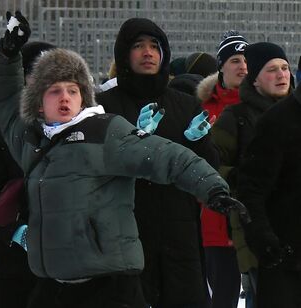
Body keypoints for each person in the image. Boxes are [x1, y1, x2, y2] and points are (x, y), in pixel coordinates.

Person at [0, 11, 248, 308]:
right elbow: (6, 105)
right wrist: (8, 55)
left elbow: (168, 157)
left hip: (110, 282)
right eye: (54, 91)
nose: (64, 98)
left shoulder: (104, 130)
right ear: (38, 103)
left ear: (84, 98)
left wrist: (213, 187)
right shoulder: (31, 141)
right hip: (56, 284)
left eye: (72, 91)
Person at [96, 17, 218, 307]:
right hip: (128, 228)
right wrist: (134, 141)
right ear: (124, 53)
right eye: (138, 46)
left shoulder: (185, 103)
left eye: (155, 46)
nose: (148, 53)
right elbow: (98, 166)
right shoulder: (104, 106)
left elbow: (208, 167)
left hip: (180, 228)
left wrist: (197, 141)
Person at [0, 41, 55, 308]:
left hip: (75, 262)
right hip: (19, 264)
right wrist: (15, 231)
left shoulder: (84, 128)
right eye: (37, 76)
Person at [212, 42, 293, 308]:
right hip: (252, 225)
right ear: (255, 79)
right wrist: (240, 177)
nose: (281, 75)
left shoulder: (296, 115)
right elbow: (212, 163)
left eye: (284, 68)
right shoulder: (237, 117)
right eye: (272, 70)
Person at [197, 30, 248, 308]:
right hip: (216, 219)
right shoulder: (204, 108)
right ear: (221, 66)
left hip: (255, 214)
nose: (243, 66)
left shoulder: (264, 106)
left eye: (246, 60)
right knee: (223, 296)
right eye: (235, 60)